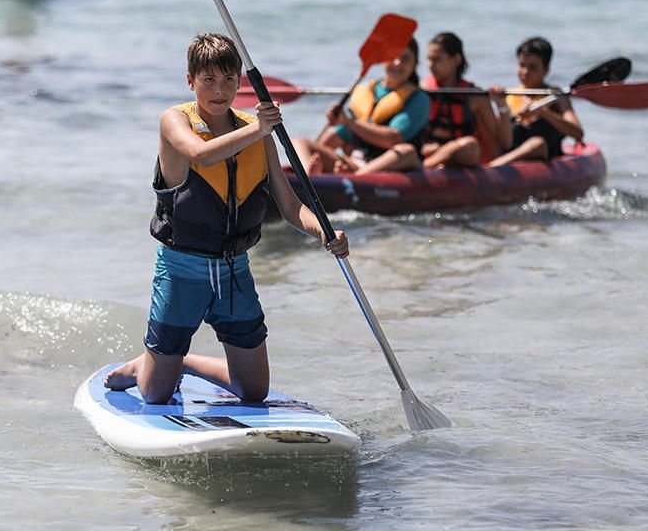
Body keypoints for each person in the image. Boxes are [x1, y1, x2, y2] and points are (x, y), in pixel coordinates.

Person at [104, 34, 349, 405]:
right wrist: (260, 128)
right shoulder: (174, 121)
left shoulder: (256, 131)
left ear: (240, 81)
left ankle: (182, 362)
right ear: (191, 81)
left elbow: (289, 204)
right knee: (155, 394)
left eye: (229, 80)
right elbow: (201, 156)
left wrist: (323, 231)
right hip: (182, 269)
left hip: (235, 272)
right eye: (209, 81)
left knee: (254, 392)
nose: (220, 91)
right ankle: (147, 367)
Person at [292, 38, 430, 175]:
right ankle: (307, 177)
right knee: (299, 142)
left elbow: (393, 139)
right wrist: (320, 150)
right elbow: (339, 135)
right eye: (393, 56)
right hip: (358, 162)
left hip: (393, 163)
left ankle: (354, 180)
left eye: (405, 59)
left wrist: (349, 122)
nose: (397, 63)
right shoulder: (368, 90)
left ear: (415, 65)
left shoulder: (418, 98)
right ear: (384, 58)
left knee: (406, 151)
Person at [419, 32, 511, 168]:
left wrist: (501, 107)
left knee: (470, 145)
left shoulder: (475, 97)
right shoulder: (423, 89)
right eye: (429, 59)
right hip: (427, 153)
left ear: (456, 59)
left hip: (459, 158)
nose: (430, 65)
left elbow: (505, 143)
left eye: (437, 59)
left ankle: (425, 167)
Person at [489, 37, 584, 167]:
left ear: (546, 70)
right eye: (522, 65)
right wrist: (501, 107)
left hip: (543, 151)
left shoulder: (556, 96)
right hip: (512, 153)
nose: (525, 72)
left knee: (537, 143)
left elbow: (577, 133)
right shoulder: (509, 95)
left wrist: (543, 112)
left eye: (533, 67)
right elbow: (503, 140)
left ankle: (493, 167)